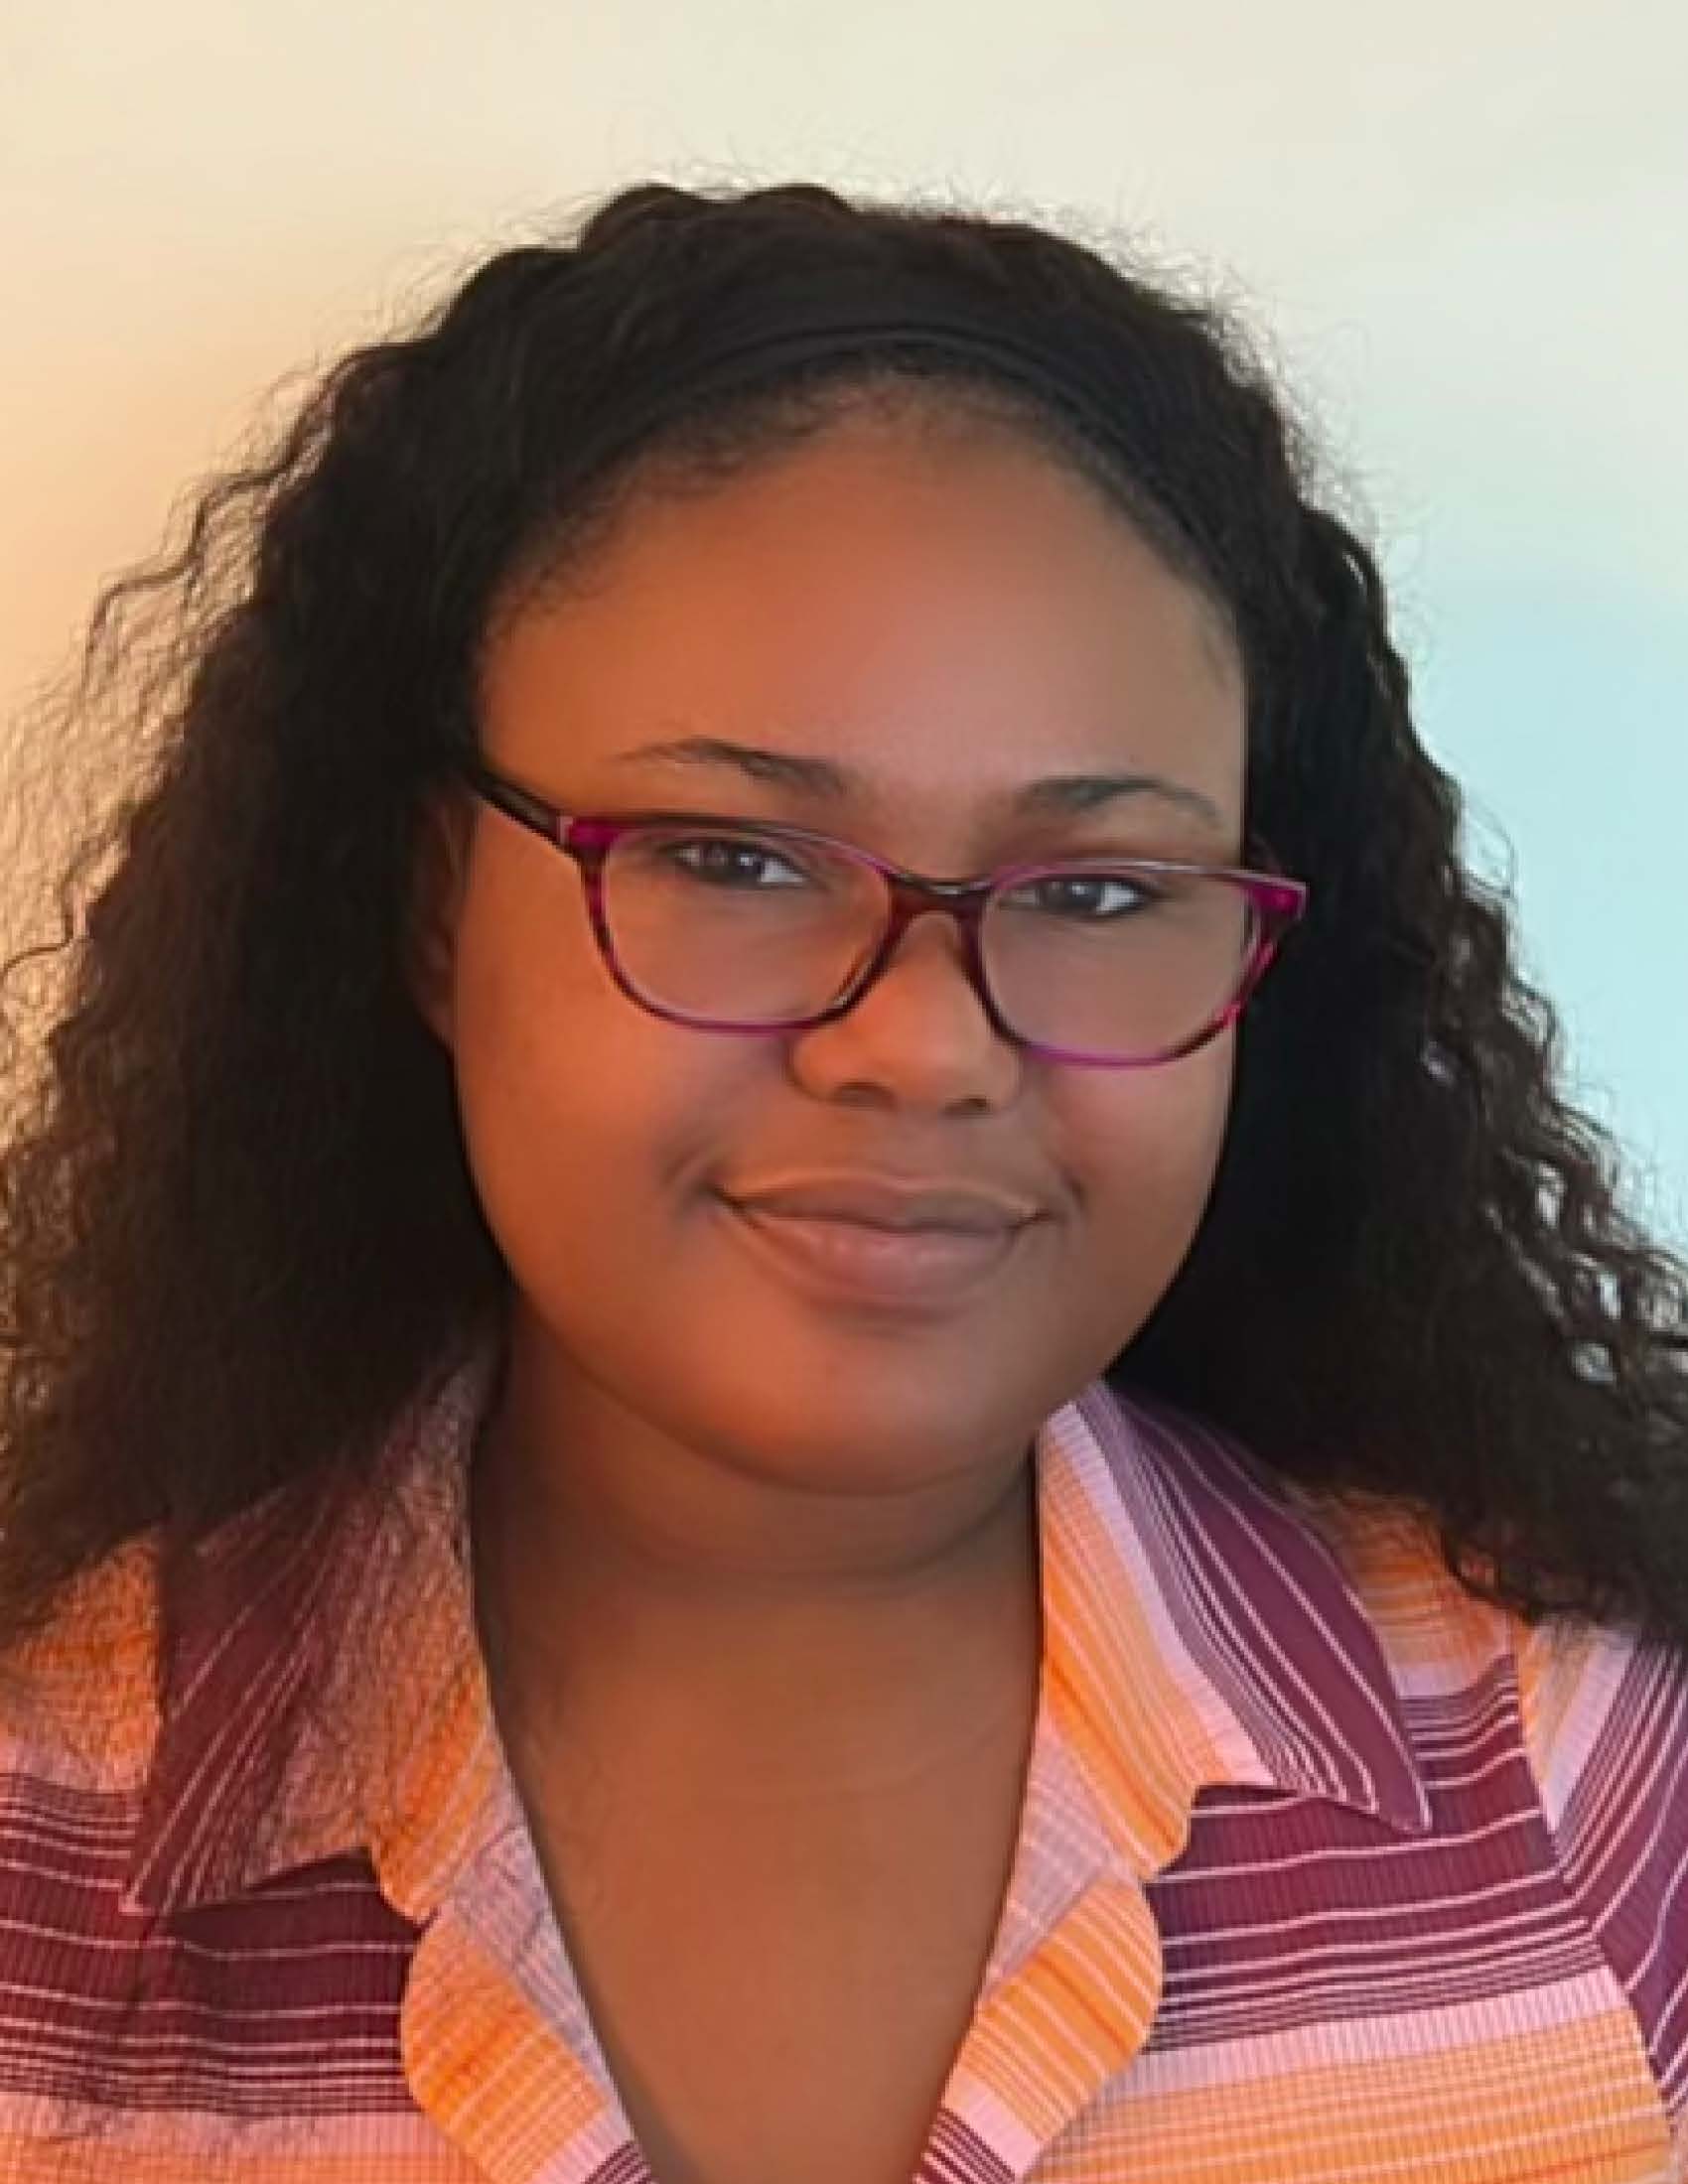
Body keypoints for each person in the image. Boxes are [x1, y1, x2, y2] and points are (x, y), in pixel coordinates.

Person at [0, 178, 1683, 2184]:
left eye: (1098, 888)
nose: (921, 1039)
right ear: (435, 905)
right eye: (732, 855)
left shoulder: (1590, 1781)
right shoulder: (43, 1831)